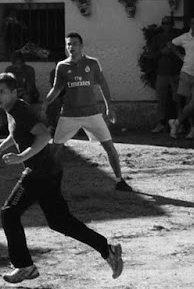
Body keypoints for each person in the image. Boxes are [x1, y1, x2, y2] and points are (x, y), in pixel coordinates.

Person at [0, 72, 122, 285]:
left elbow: (44, 135)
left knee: (9, 213)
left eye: (2, 92)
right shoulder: (13, 109)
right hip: (49, 171)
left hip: (39, 172)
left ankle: (24, 266)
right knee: (60, 222)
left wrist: (21, 157)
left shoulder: (20, 110)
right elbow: (16, 133)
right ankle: (107, 249)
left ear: (13, 92)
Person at [43, 33, 132, 191]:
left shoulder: (92, 63)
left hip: (92, 114)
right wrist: (45, 102)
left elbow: (103, 85)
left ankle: (120, 181)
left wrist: (109, 107)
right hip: (69, 114)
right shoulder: (62, 66)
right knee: (55, 148)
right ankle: (47, 180)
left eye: (74, 44)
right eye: (68, 44)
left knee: (109, 146)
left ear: (81, 46)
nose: (71, 47)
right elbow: (56, 89)